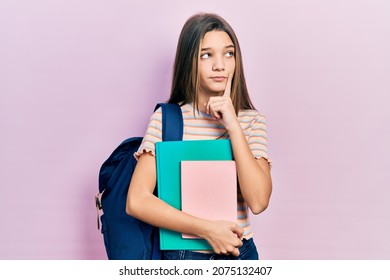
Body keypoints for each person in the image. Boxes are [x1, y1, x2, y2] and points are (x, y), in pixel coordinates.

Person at [126, 12, 272, 260]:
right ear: (189, 61)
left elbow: (258, 202)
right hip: (186, 255)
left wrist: (234, 126)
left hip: (240, 253)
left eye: (229, 53)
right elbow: (137, 201)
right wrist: (207, 230)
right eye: (206, 55)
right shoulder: (167, 120)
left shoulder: (250, 121)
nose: (220, 65)